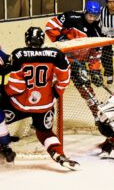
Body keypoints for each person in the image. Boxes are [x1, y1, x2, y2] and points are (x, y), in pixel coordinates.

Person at [0, 27, 79, 170]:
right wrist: (55, 94)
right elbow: (64, 80)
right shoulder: (57, 54)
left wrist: (4, 91)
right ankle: (58, 154)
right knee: (45, 132)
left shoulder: (19, 55)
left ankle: (5, 147)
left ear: (27, 39)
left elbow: (17, 87)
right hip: (45, 105)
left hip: (20, 105)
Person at [45, 0, 104, 125]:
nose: (92, 18)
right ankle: (45, 116)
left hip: (78, 64)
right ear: (85, 12)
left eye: (95, 16)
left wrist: (95, 71)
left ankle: (98, 115)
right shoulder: (71, 17)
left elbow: (96, 54)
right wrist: (59, 37)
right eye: (90, 15)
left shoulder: (96, 32)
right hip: (60, 61)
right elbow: (50, 25)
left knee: (86, 90)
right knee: (50, 89)